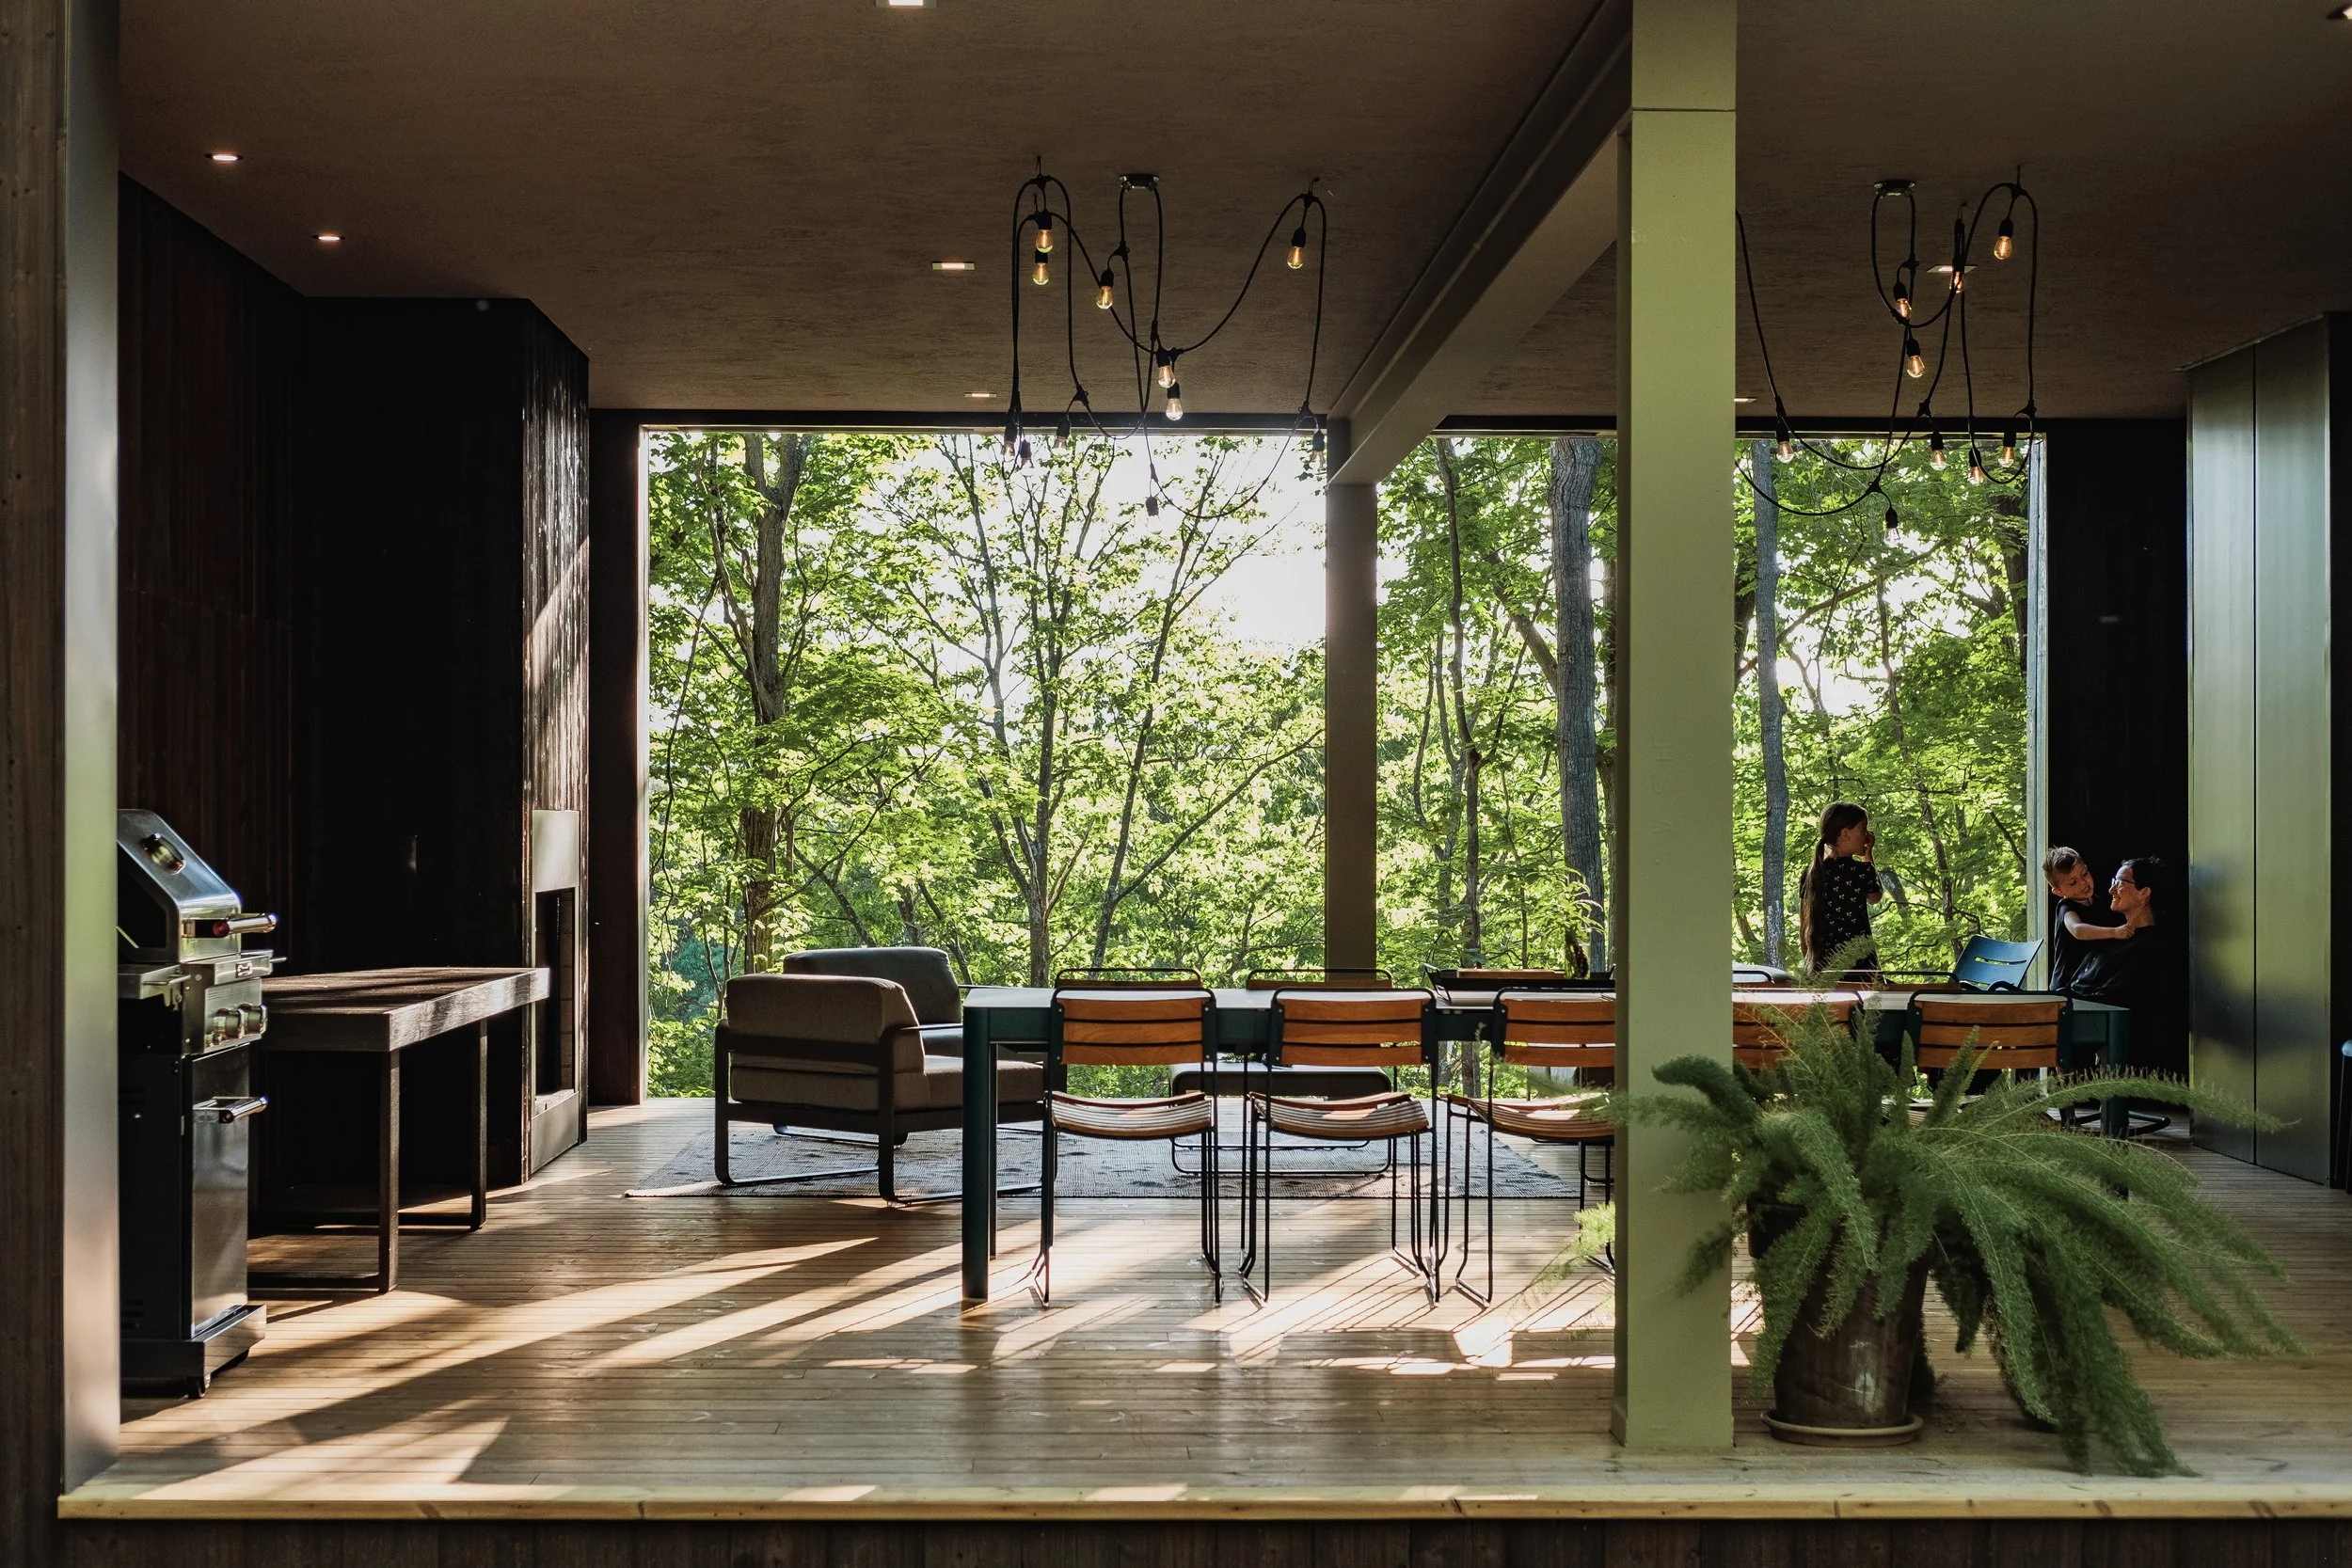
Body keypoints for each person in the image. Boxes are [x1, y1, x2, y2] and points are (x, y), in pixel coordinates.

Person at [2069, 856, 2171, 1014]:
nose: (2112, 890)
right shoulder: (2111, 938)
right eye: (2113, 882)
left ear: (2144, 892)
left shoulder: (2148, 947)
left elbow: (2107, 1002)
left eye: (2121, 882)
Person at [1800, 801, 1883, 976]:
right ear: (1845, 834)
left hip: (1823, 966)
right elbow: (1875, 897)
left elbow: (1804, 927)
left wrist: (1809, 969)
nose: (1867, 836)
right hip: (1860, 967)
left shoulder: (1811, 873)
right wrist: (1868, 855)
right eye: (1863, 829)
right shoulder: (1862, 870)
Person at [2042, 846, 2129, 994]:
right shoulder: (2066, 907)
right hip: (2066, 987)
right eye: (2073, 882)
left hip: (2087, 982)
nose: (2083, 882)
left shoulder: (2099, 903)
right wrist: (2115, 932)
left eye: (2084, 874)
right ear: (2059, 891)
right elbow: (2077, 930)